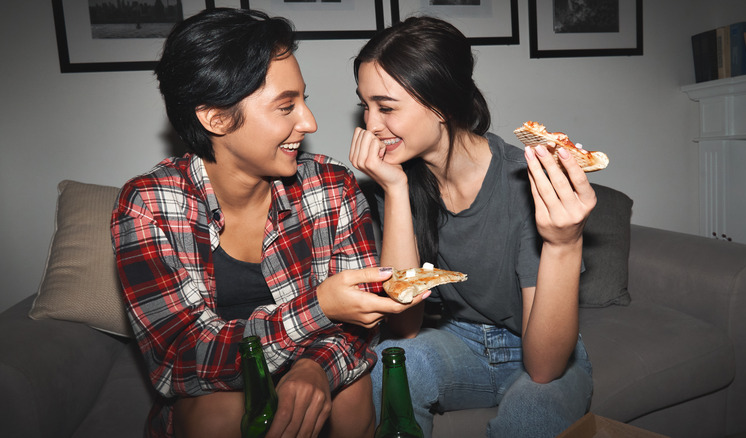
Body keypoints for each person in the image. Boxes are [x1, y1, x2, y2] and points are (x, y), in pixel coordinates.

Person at [111, 8, 424, 438]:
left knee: (350, 392)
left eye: (304, 99)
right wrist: (318, 308)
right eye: (285, 106)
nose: (309, 122)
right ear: (215, 118)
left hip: (319, 360)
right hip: (215, 389)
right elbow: (178, 360)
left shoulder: (330, 184)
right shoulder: (148, 205)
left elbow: (362, 324)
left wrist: (316, 367)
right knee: (217, 413)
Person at [349, 16, 596, 438]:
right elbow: (405, 328)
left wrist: (565, 243)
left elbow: (544, 368)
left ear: (441, 104)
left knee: (530, 418)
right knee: (388, 366)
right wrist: (394, 190)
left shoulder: (525, 180)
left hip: (537, 347)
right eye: (366, 105)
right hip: (457, 342)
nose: (370, 125)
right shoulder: (403, 181)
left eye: (386, 107)